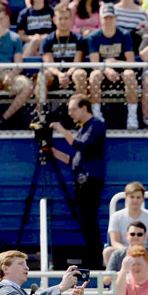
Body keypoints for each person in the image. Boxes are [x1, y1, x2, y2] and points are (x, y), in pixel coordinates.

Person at [49, 94, 106, 267]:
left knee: (90, 221)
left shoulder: (96, 124)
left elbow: (82, 146)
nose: (70, 113)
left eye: (73, 109)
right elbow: (74, 160)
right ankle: (93, 258)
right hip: (81, 179)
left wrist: (61, 130)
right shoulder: (83, 129)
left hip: (91, 179)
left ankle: (96, 261)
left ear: (84, 108)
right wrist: (53, 153)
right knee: (86, 222)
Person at [104, 181, 148, 264]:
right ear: (126, 198)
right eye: (132, 197)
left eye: (138, 197)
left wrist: (139, 252)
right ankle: (112, 276)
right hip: (123, 252)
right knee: (108, 251)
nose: (135, 200)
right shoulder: (116, 216)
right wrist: (129, 252)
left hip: (144, 252)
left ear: (143, 199)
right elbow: (115, 242)